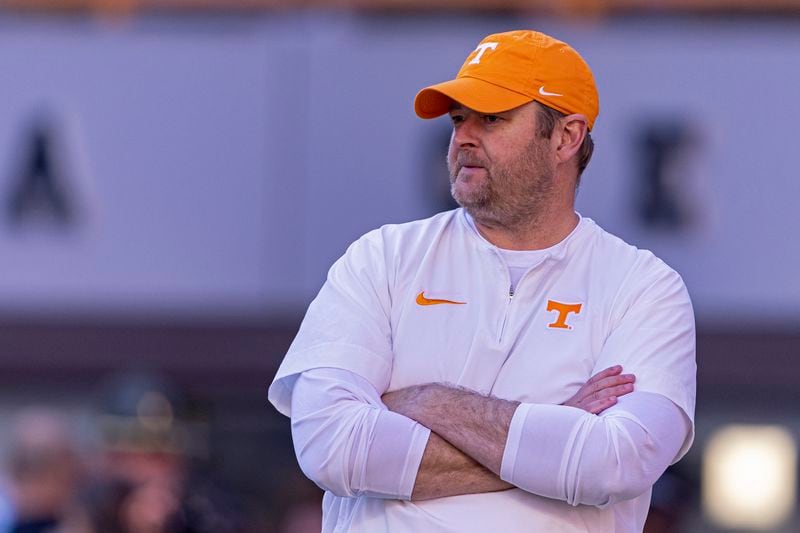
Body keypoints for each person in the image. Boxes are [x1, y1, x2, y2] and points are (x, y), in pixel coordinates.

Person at [268, 29, 696, 532]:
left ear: (567, 137)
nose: (463, 137)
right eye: (457, 119)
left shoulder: (644, 286)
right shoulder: (381, 257)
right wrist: (554, 430)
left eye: (492, 118)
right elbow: (333, 449)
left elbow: (617, 463)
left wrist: (427, 400)